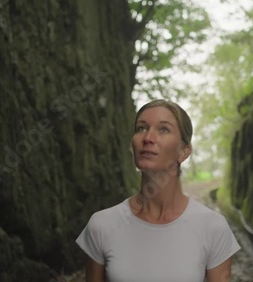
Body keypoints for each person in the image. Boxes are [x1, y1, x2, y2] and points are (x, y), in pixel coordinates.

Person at [76, 99, 241, 282]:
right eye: (141, 128)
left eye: (163, 129)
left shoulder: (213, 228)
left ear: (184, 152)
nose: (148, 138)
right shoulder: (102, 225)